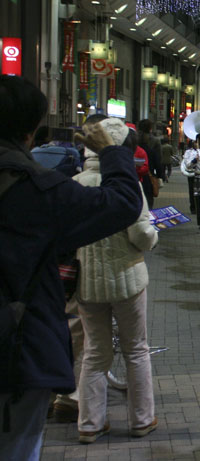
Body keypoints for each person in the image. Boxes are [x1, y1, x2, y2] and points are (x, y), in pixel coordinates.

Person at [0, 76, 142, 460]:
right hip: (16, 348)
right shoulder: (37, 190)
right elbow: (123, 203)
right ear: (31, 132)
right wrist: (112, 152)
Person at [72, 117, 159, 443]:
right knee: (135, 349)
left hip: (88, 285)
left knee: (95, 353)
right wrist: (154, 236)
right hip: (127, 280)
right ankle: (141, 420)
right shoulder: (127, 184)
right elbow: (141, 235)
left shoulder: (75, 181)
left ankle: (90, 424)